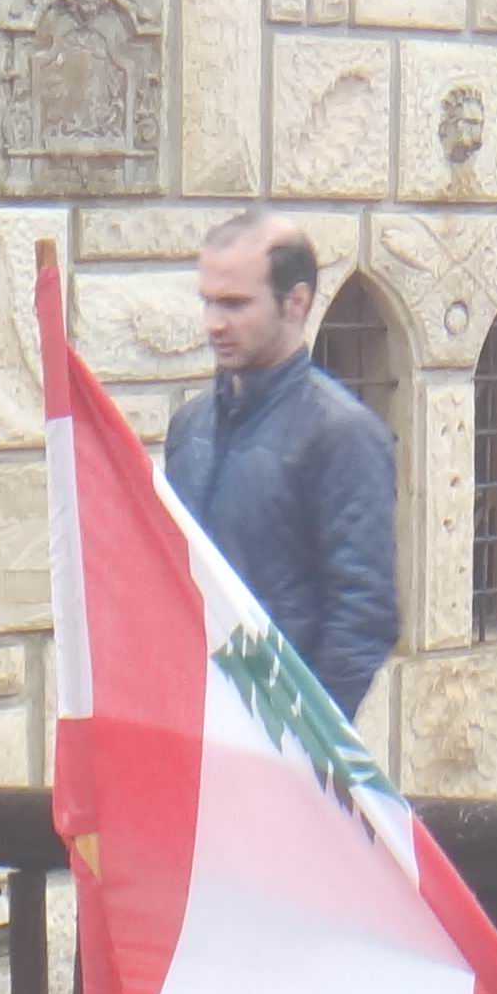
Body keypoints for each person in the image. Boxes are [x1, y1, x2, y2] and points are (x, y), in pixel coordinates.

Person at [160, 209, 398, 721]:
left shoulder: (343, 434)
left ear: (296, 302)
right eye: (207, 301)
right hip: (193, 725)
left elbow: (362, 616)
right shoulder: (190, 427)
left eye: (234, 303)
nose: (214, 323)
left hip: (277, 736)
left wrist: (297, 740)